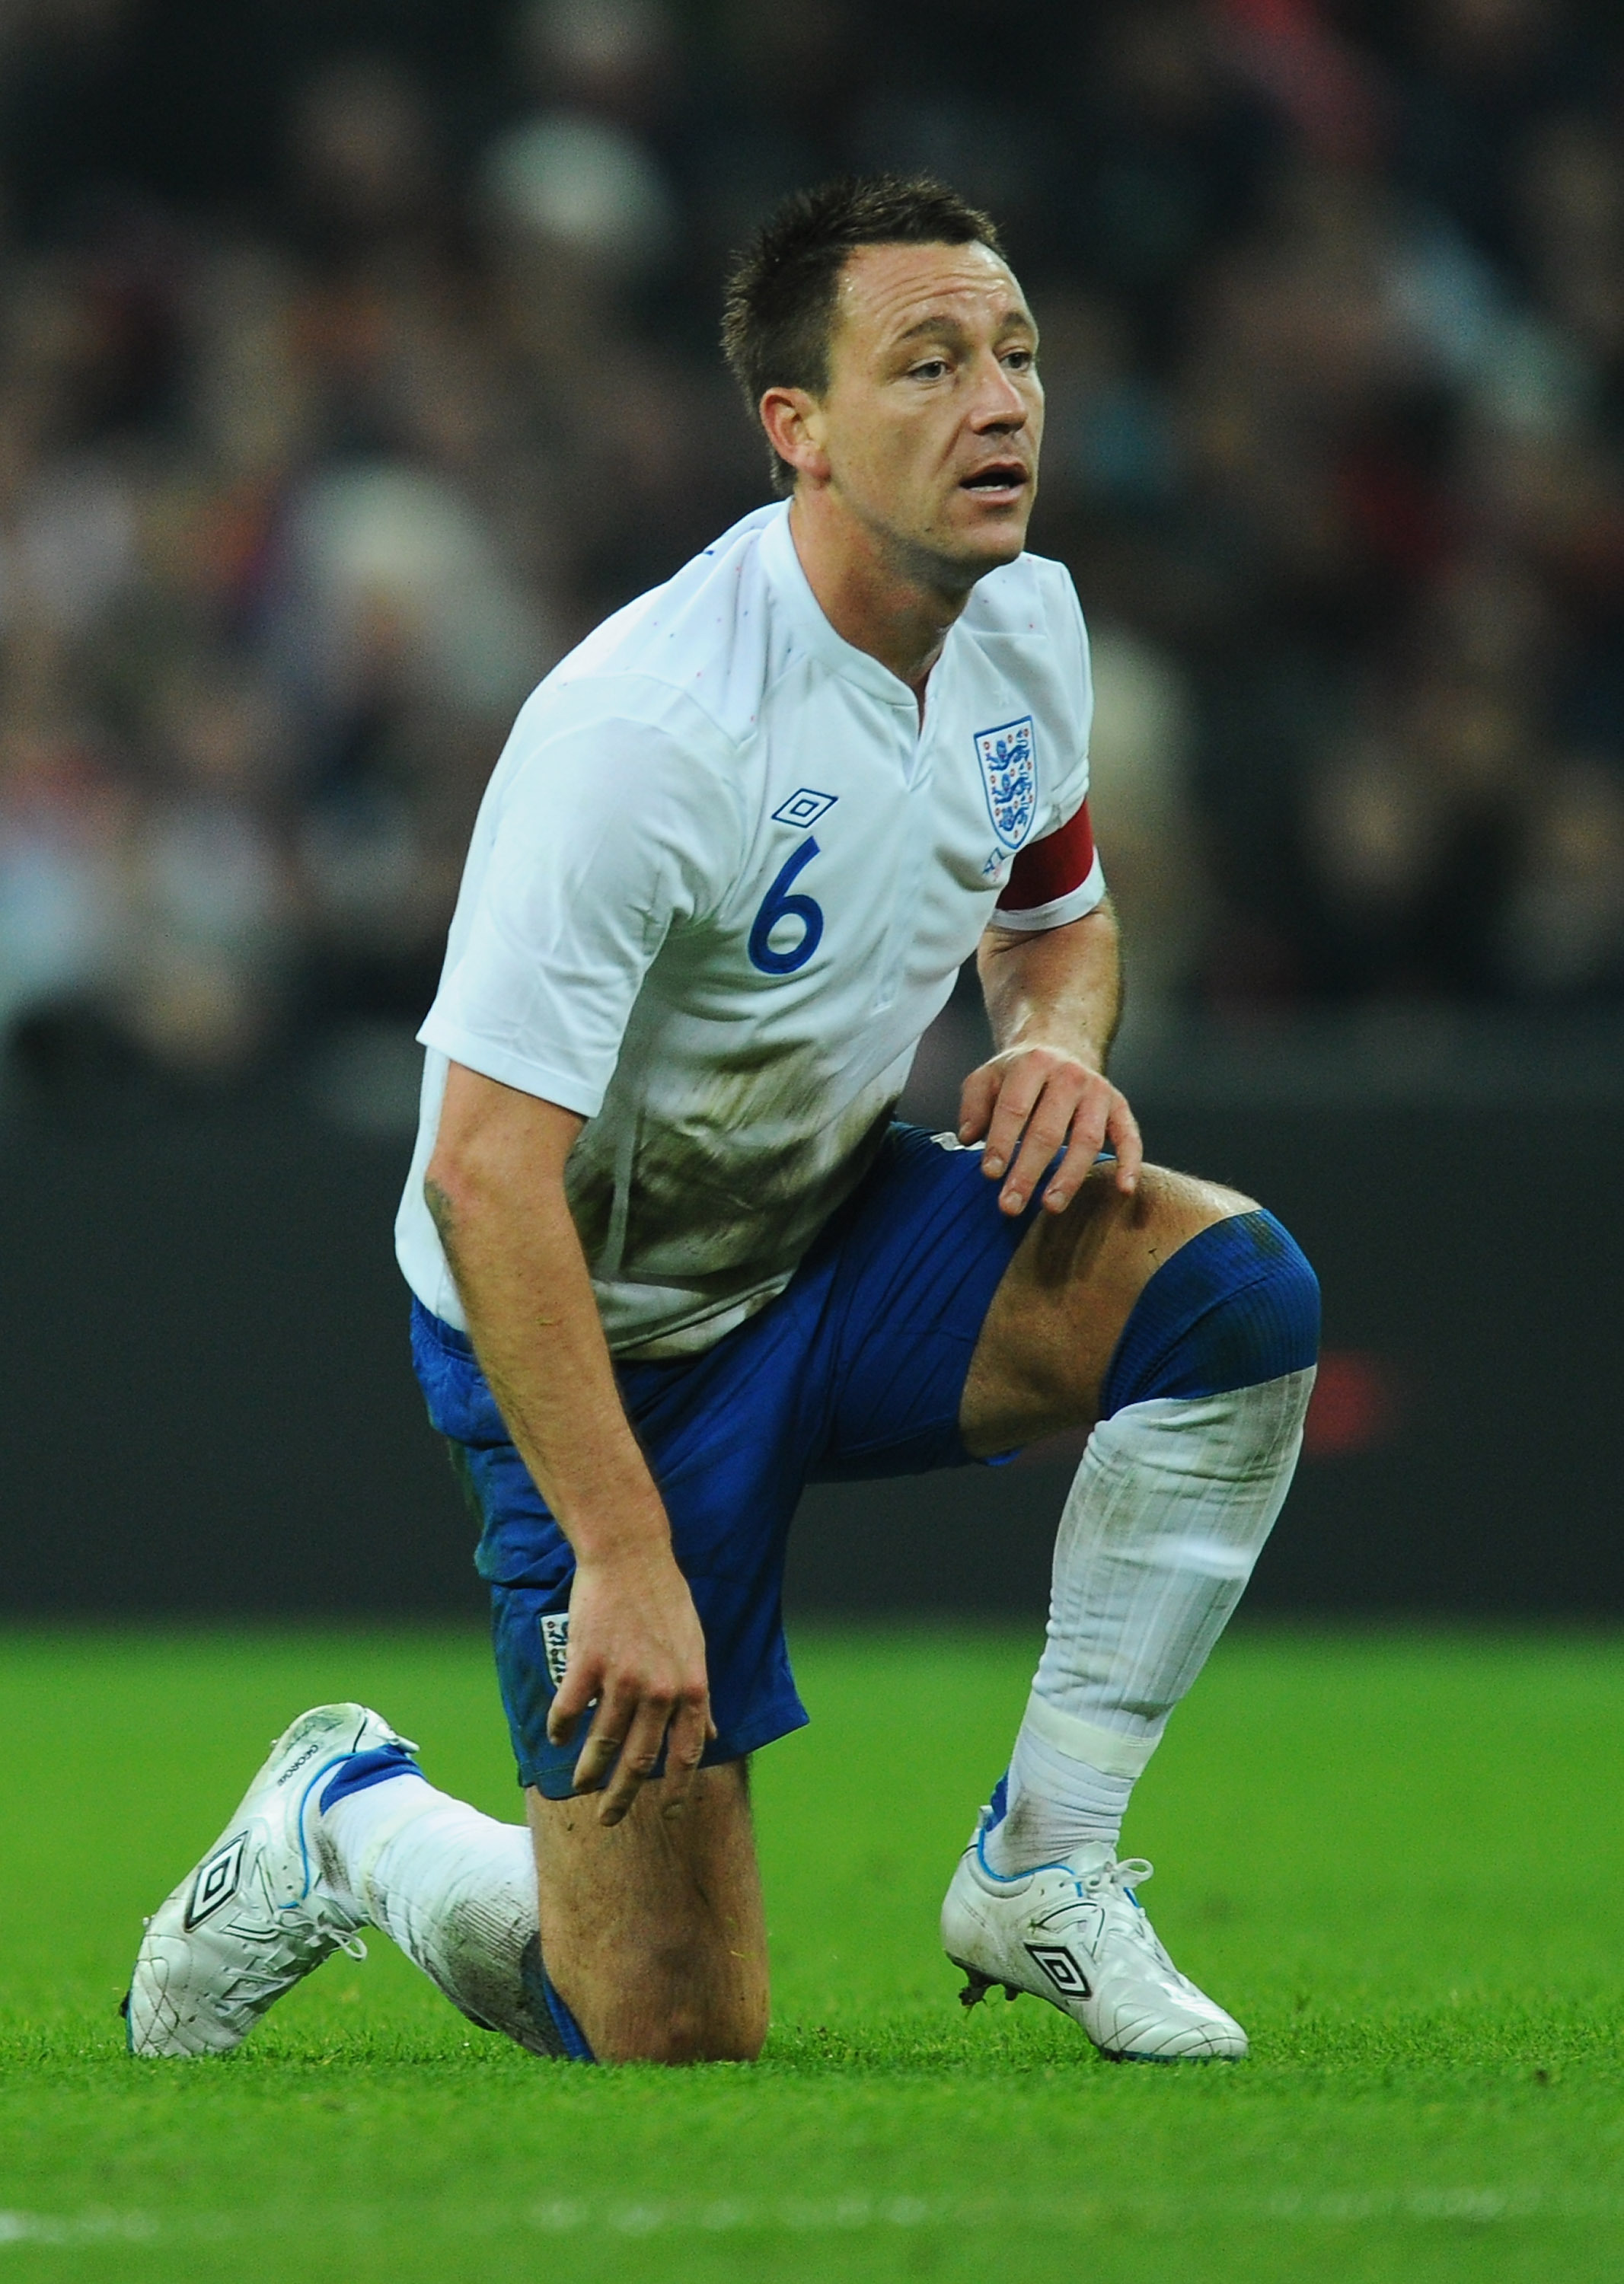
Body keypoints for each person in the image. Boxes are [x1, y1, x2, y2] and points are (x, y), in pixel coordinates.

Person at [126, 175, 1317, 2069]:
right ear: (798, 427)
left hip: (826, 1244)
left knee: (1230, 1295)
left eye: (1014, 355)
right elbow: (482, 1171)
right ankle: (347, 1821)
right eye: (926, 364)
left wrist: (1052, 1041)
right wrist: (622, 1551)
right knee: (668, 2026)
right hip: (593, 1339)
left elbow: (1055, 918)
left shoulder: (1022, 624)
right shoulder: (650, 729)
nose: (998, 403)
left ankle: (1044, 1861)